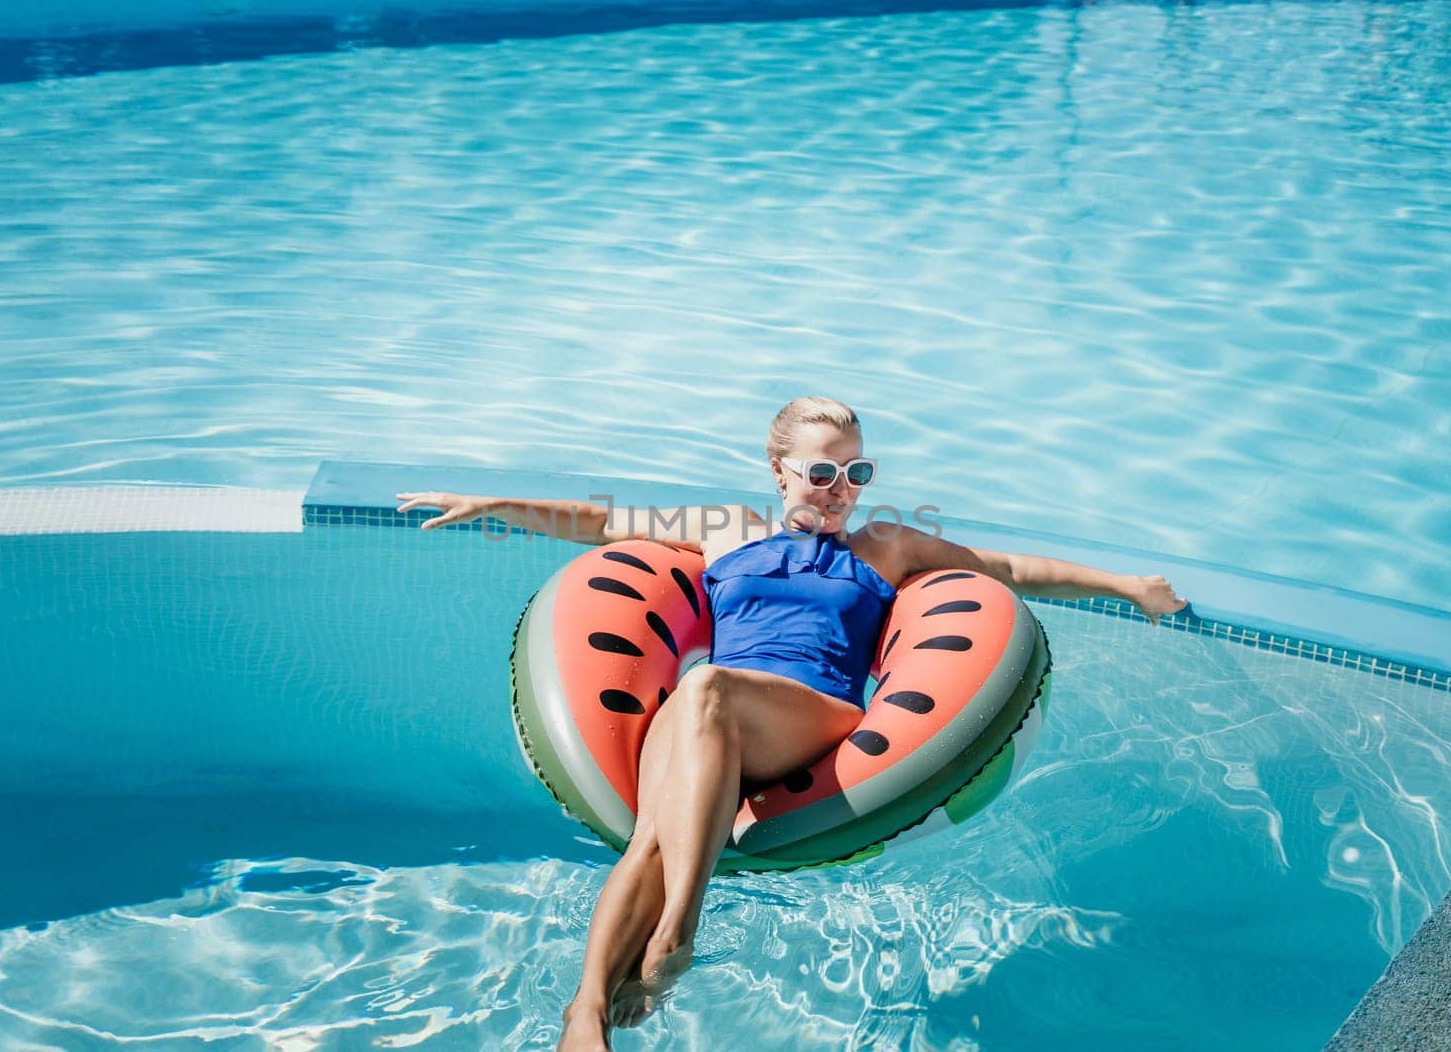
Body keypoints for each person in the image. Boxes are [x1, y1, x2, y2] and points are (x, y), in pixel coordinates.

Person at [396, 397, 1186, 1051]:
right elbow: (603, 521)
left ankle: (679, 923)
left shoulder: (884, 545)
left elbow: (1008, 570)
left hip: (813, 717)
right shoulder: (725, 528)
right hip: (714, 714)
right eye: (822, 471)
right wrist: (496, 504)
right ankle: (586, 1008)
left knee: (704, 692)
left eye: (857, 471)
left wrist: (1127, 586)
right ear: (778, 471)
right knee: (652, 826)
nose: (841, 487)